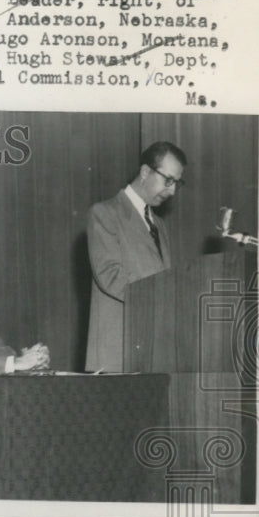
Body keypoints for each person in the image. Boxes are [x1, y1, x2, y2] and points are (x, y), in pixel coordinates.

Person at [86, 141, 185, 372]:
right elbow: (110, 275)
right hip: (118, 352)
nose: (172, 191)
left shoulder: (159, 225)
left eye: (177, 183)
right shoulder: (105, 213)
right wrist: (162, 298)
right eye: (168, 180)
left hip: (153, 350)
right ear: (145, 172)